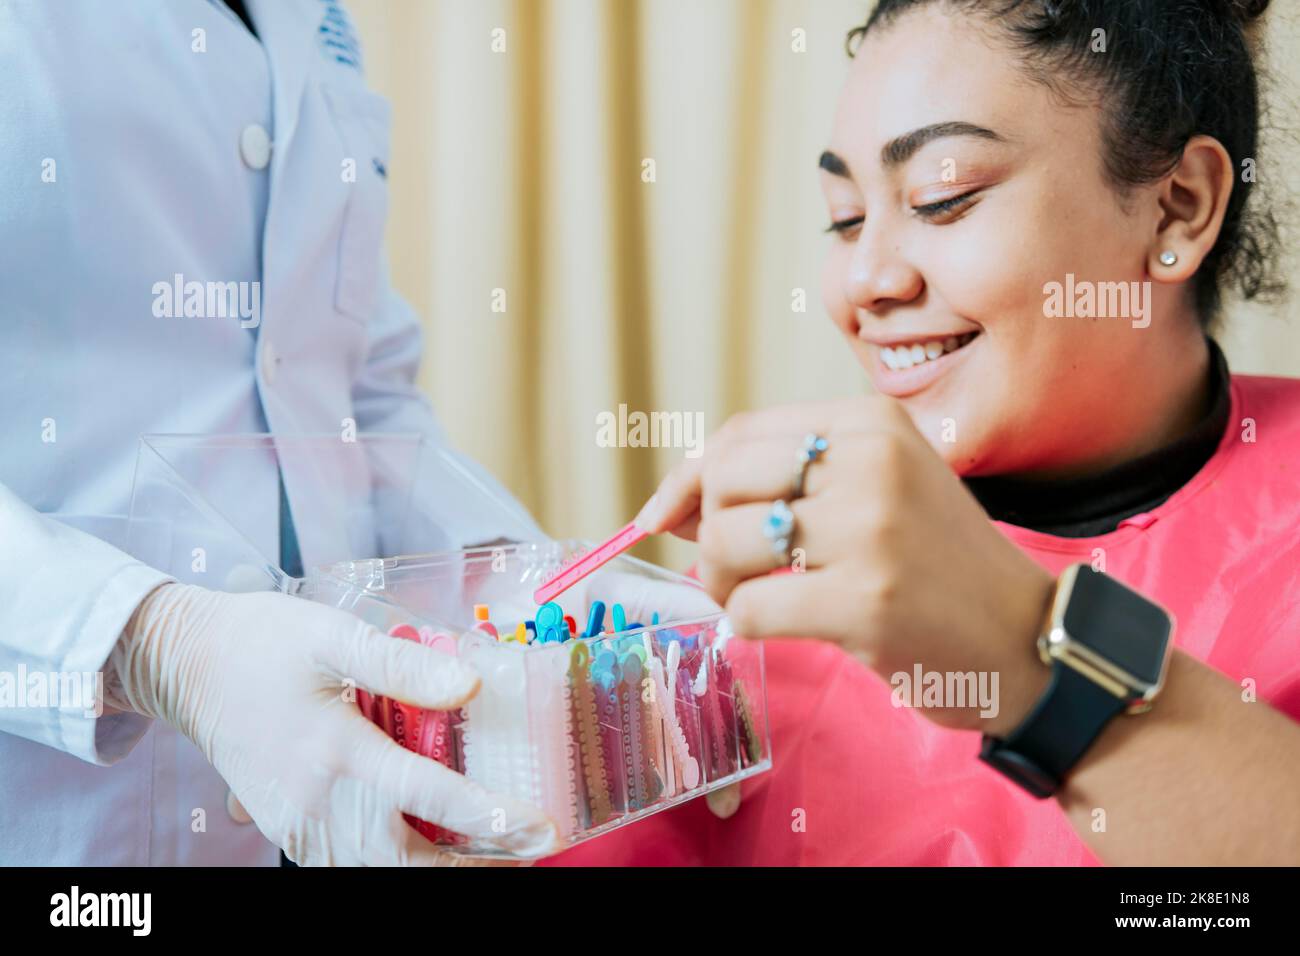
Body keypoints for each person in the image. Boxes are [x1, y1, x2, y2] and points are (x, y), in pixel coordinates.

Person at [547, 0, 1300, 866]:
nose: (863, 279)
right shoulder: (762, 597)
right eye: (845, 216)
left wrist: (1028, 653)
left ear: (1177, 206)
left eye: (944, 198)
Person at [0, 0, 568, 867]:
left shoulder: (318, 20)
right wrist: (160, 647)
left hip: (327, 803)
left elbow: (353, 390)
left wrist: (523, 582)